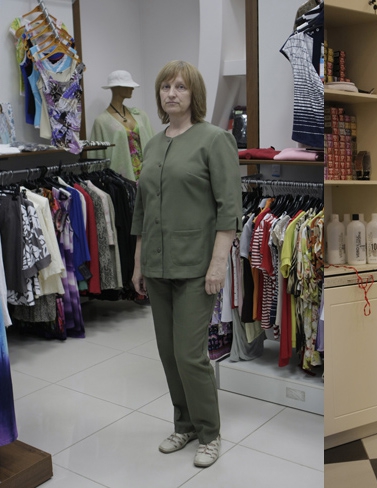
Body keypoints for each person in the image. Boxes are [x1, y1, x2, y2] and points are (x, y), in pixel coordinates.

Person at [131, 60, 242, 468]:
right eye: (165, 87)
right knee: (167, 353)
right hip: (157, 265)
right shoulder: (152, 145)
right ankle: (185, 424)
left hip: (196, 266)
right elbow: (142, 210)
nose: (171, 93)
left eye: (180, 87)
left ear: (194, 94)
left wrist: (218, 264)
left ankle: (209, 433)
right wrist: (139, 263)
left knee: (189, 355)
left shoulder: (215, 140)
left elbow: (229, 209)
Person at [90, 70, 154, 181]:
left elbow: (153, 144)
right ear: (117, 88)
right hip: (121, 180)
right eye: (128, 85)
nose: (132, 88)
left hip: (147, 176)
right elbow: (96, 156)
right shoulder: (102, 121)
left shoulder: (140, 115)